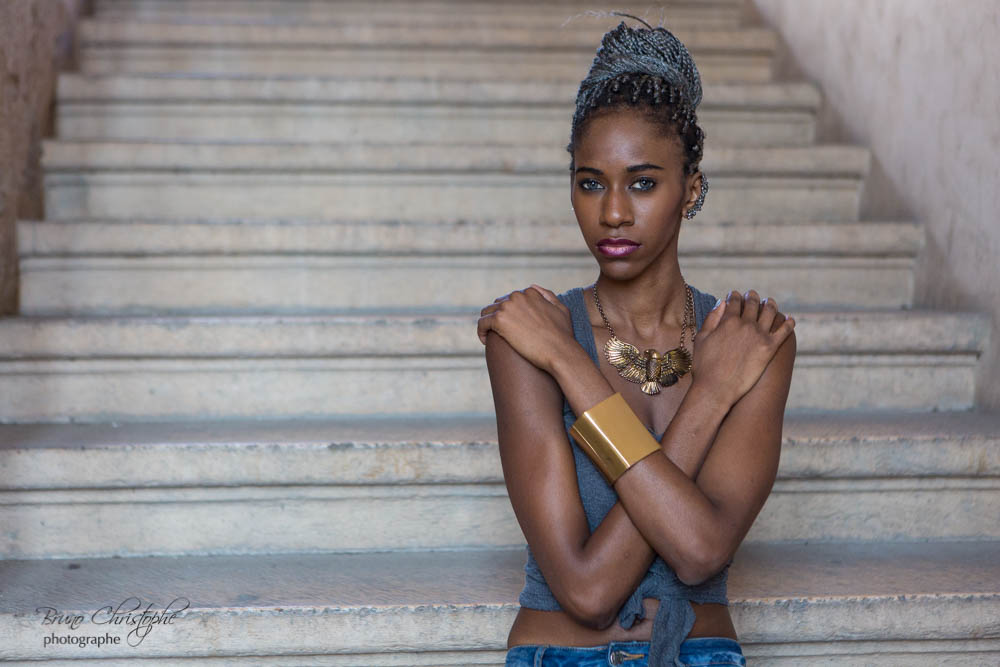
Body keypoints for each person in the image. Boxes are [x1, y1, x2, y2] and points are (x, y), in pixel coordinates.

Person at [475, 13, 797, 667]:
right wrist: (572, 355)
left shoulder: (750, 341)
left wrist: (704, 386)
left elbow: (701, 549)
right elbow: (587, 588)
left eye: (643, 183)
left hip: (698, 653)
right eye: (591, 182)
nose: (613, 212)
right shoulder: (529, 338)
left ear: (692, 190)